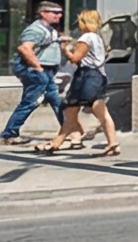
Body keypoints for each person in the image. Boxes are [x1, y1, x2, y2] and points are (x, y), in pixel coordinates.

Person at [38, 10, 117, 157]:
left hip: (87, 76)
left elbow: (75, 58)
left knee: (71, 108)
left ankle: (57, 142)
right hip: (97, 75)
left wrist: (65, 49)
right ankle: (112, 143)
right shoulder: (97, 38)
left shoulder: (86, 37)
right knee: (95, 110)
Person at [6, 0, 65, 145]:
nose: (59, 16)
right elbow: (24, 48)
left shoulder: (50, 29)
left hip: (47, 71)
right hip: (36, 69)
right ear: (43, 13)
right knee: (30, 101)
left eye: (60, 13)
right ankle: (9, 134)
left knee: (57, 101)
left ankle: (69, 131)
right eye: (55, 13)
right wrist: (38, 68)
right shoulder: (36, 29)